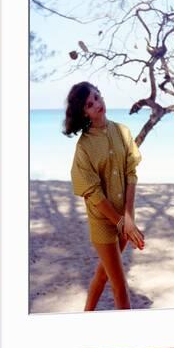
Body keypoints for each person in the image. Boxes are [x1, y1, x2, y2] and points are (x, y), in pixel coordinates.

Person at [63, 81, 145, 310]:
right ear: (83, 112)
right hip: (103, 221)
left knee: (103, 275)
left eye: (97, 97)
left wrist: (128, 218)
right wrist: (120, 223)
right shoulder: (84, 148)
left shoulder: (123, 131)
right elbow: (92, 193)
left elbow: (131, 173)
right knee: (120, 287)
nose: (97, 104)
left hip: (123, 218)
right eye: (90, 104)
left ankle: (87, 315)